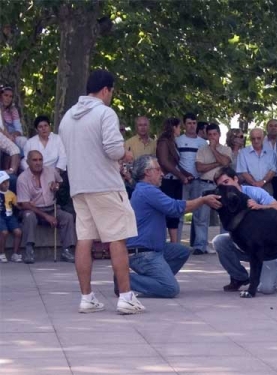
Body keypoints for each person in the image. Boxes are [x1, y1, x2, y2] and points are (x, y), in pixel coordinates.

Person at [59, 69, 144, 315]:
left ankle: (87, 298)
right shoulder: (105, 113)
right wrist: (126, 154)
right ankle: (126, 297)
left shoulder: (67, 117)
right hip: (105, 185)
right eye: (112, 92)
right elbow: (113, 149)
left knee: (84, 239)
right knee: (117, 237)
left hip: (79, 186)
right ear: (106, 90)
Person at [121, 155, 221, 298]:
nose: (162, 174)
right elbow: (175, 208)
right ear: (147, 172)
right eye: (158, 170)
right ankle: (124, 281)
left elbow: (172, 210)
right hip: (143, 254)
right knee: (170, 289)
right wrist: (202, 200)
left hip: (153, 249)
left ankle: (155, 281)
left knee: (181, 251)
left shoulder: (145, 190)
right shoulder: (148, 191)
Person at [211, 167, 277, 294]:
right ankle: (239, 278)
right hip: (243, 244)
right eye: (220, 185)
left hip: (265, 247)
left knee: (266, 289)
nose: (224, 187)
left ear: (235, 179)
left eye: (226, 182)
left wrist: (260, 206)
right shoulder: (222, 198)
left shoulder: (255, 192)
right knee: (219, 241)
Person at [17, 150, 76, 264]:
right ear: (28, 162)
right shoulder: (22, 178)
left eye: (40, 160)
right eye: (34, 160)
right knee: (29, 217)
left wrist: (56, 186)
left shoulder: (50, 171)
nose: (38, 163)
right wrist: (46, 217)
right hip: (32, 210)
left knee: (68, 217)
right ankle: (29, 250)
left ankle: (66, 250)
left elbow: (60, 182)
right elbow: (24, 204)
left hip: (51, 207)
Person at [195, 123, 232, 248]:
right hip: (205, 184)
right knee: (201, 217)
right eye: (209, 134)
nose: (212, 137)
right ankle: (200, 246)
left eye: (214, 134)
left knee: (224, 216)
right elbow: (199, 168)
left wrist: (213, 149)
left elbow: (226, 163)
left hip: (221, 186)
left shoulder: (226, 149)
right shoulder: (201, 150)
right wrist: (217, 163)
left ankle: (225, 244)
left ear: (219, 135)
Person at [176, 112, 208, 253]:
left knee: (200, 215)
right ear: (184, 125)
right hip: (182, 180)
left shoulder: (202, 143)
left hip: (198, 180)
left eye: (194, 123)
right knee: (180, 213)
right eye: (189, 123)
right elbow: (175, 161)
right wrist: (182, 175)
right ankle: (176, 245)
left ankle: (200, 246)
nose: (192, 126)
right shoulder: (178, 140)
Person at [157, 117, 192, 243]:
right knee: (168, 210)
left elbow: (175, 163)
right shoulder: (164, 141)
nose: (180, 129)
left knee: (175, 210)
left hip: (175, 181)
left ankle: (174, 242)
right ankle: (168, 241)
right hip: (167, 181)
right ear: (174, 127)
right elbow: (164, 162)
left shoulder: (173, 142)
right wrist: (181, 176)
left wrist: (186, 174)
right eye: (179, 127)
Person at [236, 128, 276, 195]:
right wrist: (254, 183)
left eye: (258, 138)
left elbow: (272, 171)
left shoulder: (270, 152)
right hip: (249, 187)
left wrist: (263, 182)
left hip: (267, 186)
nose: (256, 141)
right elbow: (243, 172)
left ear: (263, 138)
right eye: (253, 138)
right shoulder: (243, 153)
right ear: (250, 139)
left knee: (268, 205)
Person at [0, 171, 21, 263]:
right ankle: (2, 253)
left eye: (7, 182)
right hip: (1, 216)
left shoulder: (11, 194)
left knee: (18, 232)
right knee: (4, 232)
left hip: (10, 216)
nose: (6, 184)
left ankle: (15, 254)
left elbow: (17, 205)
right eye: (3, 183)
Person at [263, 119, 277, 203]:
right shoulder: (261, 142)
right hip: (266, 177)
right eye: (270, 126)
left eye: (275, 126)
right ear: (267, 128)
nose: (273, 128)